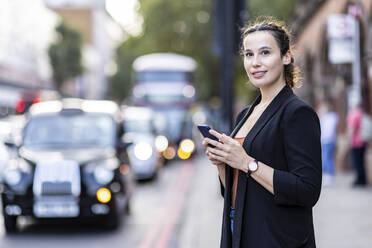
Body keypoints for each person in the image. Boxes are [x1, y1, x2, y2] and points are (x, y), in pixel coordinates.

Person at [202, 17, 322, 248]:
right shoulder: (245, 115)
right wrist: (222, 163)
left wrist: (247, 163)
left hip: (277, 237)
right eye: (249, 54)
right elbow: (238, 190)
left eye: (265, 53)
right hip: (239, 230)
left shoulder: (297, 113)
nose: (255, 62)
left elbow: (308, 190)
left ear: (286, 56)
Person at [318, 100, 338, 186]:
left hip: (329, 140)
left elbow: (329, 130)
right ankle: (327, 176)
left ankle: (329, 176)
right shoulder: (325, 117)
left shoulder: (332, 117)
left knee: (327, 158)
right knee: (325, 158)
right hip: (324, 140)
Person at [347, 101, 367, 186]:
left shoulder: (354, 114)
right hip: (363, 141)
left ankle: (359, 180)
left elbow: (352, 128)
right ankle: (363, 179)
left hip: (356, 142)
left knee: (357, 162)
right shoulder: (362, 114)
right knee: (361, 162)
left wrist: (349, 139)